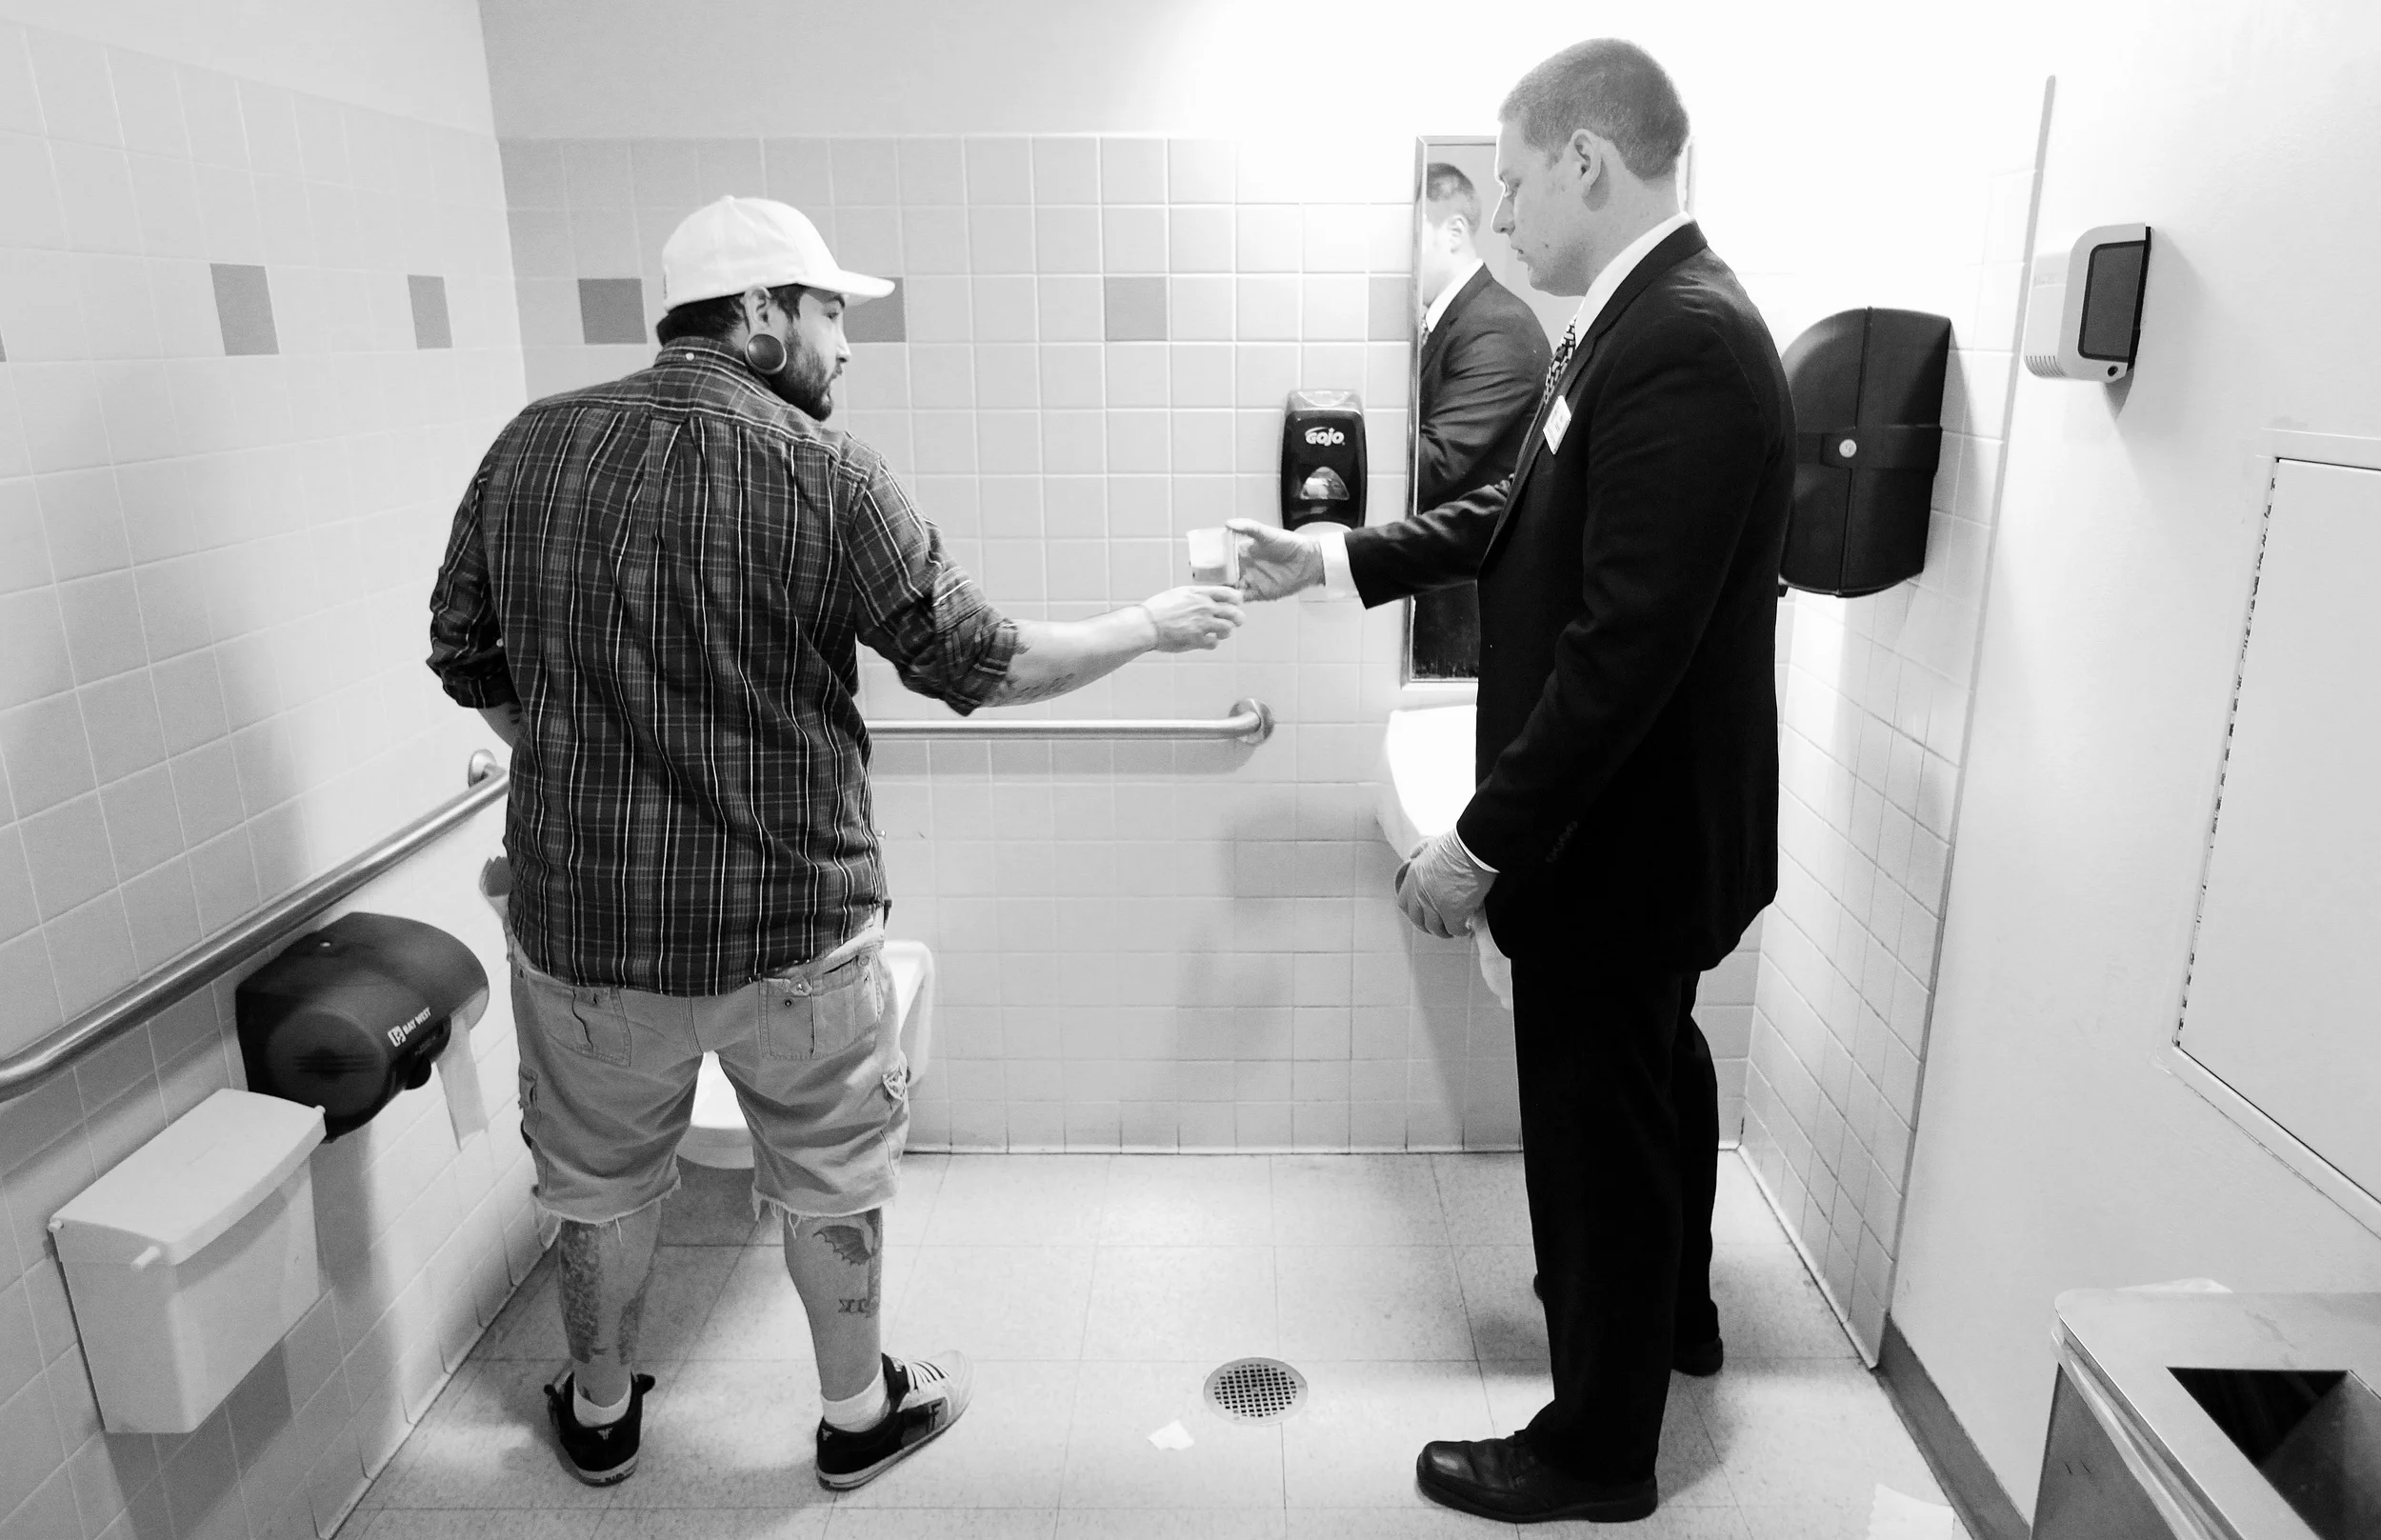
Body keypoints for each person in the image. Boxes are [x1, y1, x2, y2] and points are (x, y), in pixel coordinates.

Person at [427, 196, 1243, 1493]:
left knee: (594, 1184)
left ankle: (597, 1410)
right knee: (830, 1179)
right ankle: (857, 1417)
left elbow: (462, 646)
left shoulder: (530, 445)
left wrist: (574, 770)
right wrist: (1148, 622)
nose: (844, 345)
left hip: (583, 936)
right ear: (756, 315)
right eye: (827, 313)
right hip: (793, 931)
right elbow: (982, 658)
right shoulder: (827, 471)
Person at [1233, 39, 1791, 1526]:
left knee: (1595, 1136)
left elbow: (1623, 646)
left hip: (1620, 849)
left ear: (1588, 163)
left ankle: (1598, 1452)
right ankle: (1674, 1321)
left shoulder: (1683, 337)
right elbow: (1520, 508)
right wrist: (1344, 555)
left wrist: (1477, 845)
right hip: (1655, 839)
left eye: (1520, 177)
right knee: (1655, 1078)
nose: (1505, 217)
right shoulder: (1641, 324)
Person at [1415, 160, 1553, 508]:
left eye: (1411, 236)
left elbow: (1433, 464)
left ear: (1454, 233)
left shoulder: (1501, 329)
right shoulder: (1458, 319)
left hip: (1469, 556)